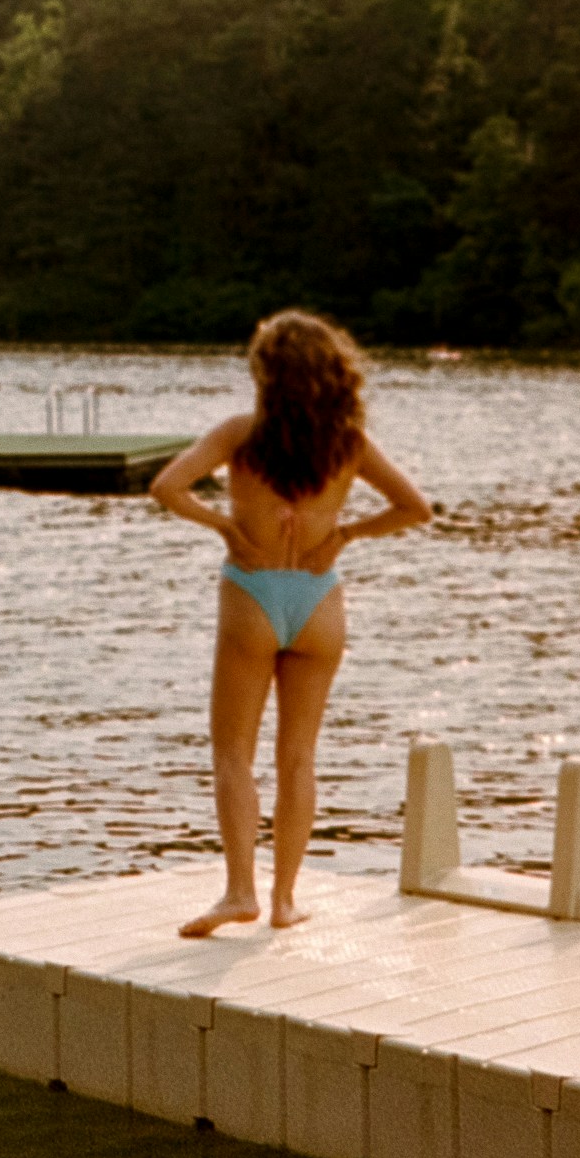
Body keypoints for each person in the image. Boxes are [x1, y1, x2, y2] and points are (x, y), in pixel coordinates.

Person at [148, 310, 432, 933]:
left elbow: (167, 486)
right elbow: (416, 508)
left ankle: (238, 892)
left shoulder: (239, 434)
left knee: (232, 756)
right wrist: (346, 534)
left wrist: (225, 526)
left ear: (266, 375)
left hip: (251, 593)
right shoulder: (348, 443)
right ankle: (283, 901)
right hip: (318, 601)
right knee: (298, 757)